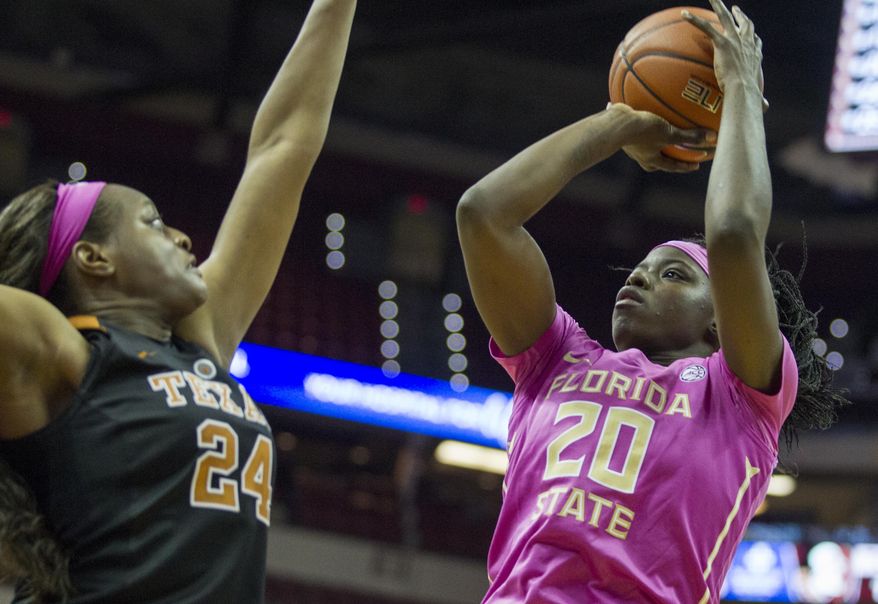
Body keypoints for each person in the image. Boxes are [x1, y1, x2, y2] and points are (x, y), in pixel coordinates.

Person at [455, 1, 848, 602]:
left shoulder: (737, 397)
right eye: (638, 270)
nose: (635, 281)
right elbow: (484, 216)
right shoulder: (557, 361)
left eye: (669, 273)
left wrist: (741, 84)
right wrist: (618, 125)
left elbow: (735, 232)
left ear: (722, 322)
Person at [0, 1, 356, 601]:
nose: (183, 237)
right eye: (153, 222)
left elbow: (284, 146)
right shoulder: (57, 350)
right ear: (94, 259)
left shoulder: (200, 341)